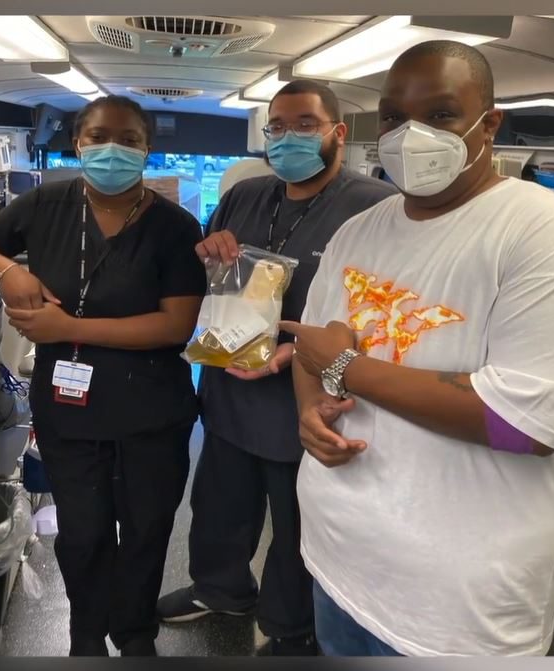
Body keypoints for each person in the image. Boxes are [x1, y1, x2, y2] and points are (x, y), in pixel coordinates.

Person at [279, 40, 554, 656]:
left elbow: (522, 427)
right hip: (338, 559)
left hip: (455, 605)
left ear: (490, 122)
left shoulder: (548, 233)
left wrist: (343, 366)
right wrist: (309, 410)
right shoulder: (359, 230)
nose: (409, 134)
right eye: (395, 117)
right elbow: (314, 346)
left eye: (442, 114)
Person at [0, 95, 206, 657]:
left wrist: (69, 325)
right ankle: (86, 637)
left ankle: (135, 634)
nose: (111, 149)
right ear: (77, 144)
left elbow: (175, 325)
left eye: (128, 140)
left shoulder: (173, 225)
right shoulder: (47, 202)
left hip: (151, 412)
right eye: (96, 137)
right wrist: (5, 272)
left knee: (145, 533)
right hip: (70, 411)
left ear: (147, 149)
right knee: (84, 534)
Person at [156, 80, 397, 655]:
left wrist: (305, 354)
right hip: (229, 390)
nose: (288, 138)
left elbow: (383, 314)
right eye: (278, 128)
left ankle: (291, 624)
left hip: (303, 398)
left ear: (338, 132)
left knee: (294, 524)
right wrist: (210, 250)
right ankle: (222, 588)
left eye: (305, 125)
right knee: (219, 504)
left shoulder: (373, 208)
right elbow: (218, 271)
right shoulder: (247, 194)